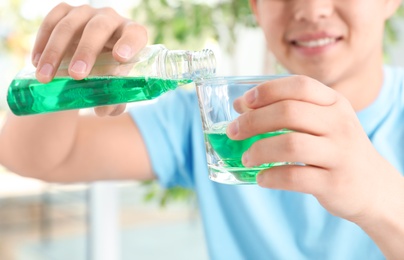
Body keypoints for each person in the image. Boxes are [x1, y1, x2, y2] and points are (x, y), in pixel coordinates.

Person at [0, 0, 403, 259]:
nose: (311, 8)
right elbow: (35, 158)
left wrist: (382, 199)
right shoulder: (205, 116)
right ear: (256, 8)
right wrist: (72, 76)